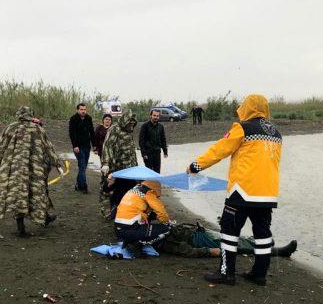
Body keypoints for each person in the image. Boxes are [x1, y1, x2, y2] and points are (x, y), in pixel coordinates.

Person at [186, 94, 282, 286]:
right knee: (262, 235)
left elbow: (220, 150)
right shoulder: (276, 133)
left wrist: (195, 166)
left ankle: (226, 273)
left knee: (229, 232)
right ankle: (259, 274)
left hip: (242, 192)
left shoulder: (242, 128)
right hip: (267, 194)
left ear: (248, 107)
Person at [0, 106, 64, 237]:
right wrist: (57, 164)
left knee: (18, 195)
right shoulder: (37, 129)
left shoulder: (11, 127)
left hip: (13, 169)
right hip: (33, 170)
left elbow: (0, 147)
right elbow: (48, 148)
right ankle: (39, 220)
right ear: (31, 115)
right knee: (36, 193)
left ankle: (26, 225)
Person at [159, 222, 297, 259]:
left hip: (200, 232)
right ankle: (279, 251)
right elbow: (186, 251)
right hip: (202, 240)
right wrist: (209, 252)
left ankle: (260, 242)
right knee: (237, 245)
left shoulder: (157, 232)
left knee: (235, 238)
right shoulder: (165, 243)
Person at [101, 110, 138, 218]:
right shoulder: (114, 129)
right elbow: (107, 146)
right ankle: (113, 211)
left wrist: (136, 166)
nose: (131, 126)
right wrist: (106, 163)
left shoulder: (129, 131)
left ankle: (125, 211)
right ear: (125, 122)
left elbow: (131, 150)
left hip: (130, 167)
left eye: (132, 124)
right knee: (115, 190)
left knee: (130, 190)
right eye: (129, 124)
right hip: (118, 167)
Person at [114, 180, 171, 249]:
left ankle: (130, 241)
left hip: (118, 229)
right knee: (165, 229)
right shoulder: (149, 193)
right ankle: (136, 244)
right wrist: (166, 222)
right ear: (156, 189)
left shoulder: (134, 190)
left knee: (148, 218)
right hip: (131, 229)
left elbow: (141, 212)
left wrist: (154, 216)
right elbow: (161, 212)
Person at [68, 103, 95, 194]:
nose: (83, 111)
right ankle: (84, 186)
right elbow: (72, 133)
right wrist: (75, 145)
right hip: (78, 147)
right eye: (81, 109)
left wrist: (94, 145)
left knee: (83, 167)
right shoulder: (73, 119)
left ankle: (78, 185)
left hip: (87, 146)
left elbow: (91, 132)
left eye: (84, 109)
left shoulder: (88, 118)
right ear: (78, 110)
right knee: (82, 166)